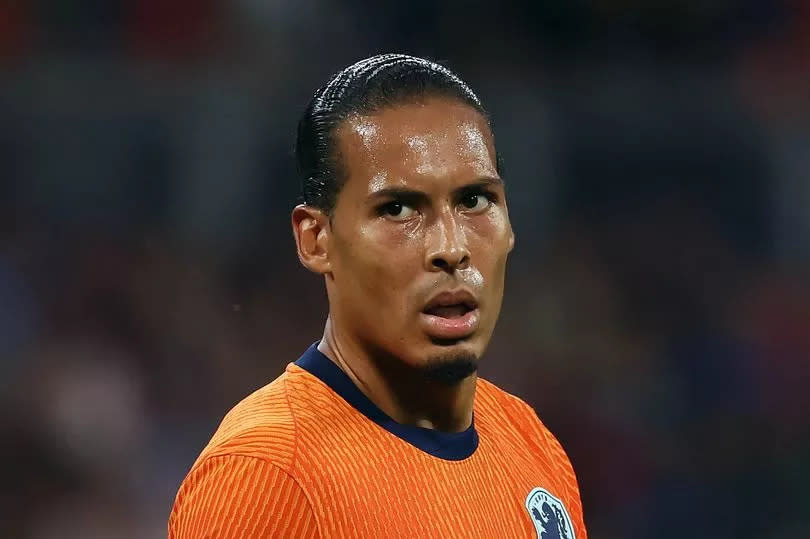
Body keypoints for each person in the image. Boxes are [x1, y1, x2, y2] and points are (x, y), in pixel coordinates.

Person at [169, 53, 587, 538]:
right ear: (316, 240)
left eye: (474, 200)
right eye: (398, 209)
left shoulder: (527, 440)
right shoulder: (268, 477)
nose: (450, 248)